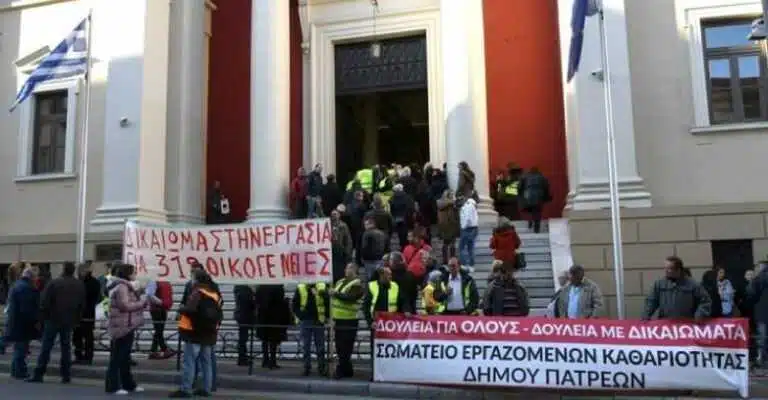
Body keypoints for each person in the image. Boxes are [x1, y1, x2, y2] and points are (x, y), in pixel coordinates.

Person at [27, 262, 85, 384]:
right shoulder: (79, 285)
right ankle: (66, 375)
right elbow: (81, 305)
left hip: (52, 319)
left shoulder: (54, 283)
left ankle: (39, 373)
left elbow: (44, 302)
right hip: (68, 320)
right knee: (66, 348)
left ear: (63, 269)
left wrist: (41, 319)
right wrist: (77, 320)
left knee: (46, 347)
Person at [170, 269, 222, 398]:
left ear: (197, 279)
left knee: (190, 361)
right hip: (209, 333)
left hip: (194, 332)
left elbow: (190, 310)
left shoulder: (197, 292)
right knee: (206, 362)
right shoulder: (214, 293)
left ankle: (186, 388)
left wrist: (181, 309)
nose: (191, 280)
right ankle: (206, 388)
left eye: (192, 277)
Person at [104, 263, 152, 395]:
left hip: (126, 324)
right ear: (128, 274)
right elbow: (124, 306)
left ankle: (128, 384)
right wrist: (141, 303)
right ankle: (113, 385)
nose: (135, 274)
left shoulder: (125, 286)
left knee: (124, 357)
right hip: (122, 326)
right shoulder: (122, 287)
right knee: (118, 357)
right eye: (134, 272)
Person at [643, 256, 711, 320]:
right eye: (665, 268)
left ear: (678, 270)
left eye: (669, 268)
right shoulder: (659, 284)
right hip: (666, 323)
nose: (666, 270)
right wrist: (645, 317)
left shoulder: (693, 284)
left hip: (686, 323)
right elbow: (651, 301)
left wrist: (699, 316)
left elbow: (705, 301)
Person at [329, 263, 364, 379]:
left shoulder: (357, 284)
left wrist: (336, 294)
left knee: (346, 346)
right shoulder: (340, 282)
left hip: (350, 319)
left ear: (354, 270)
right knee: (340, 346)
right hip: (338, 319)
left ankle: (341, 370)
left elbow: (351, 298)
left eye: (348, 268)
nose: (345, 270)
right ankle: (347, 369)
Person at [6, 266, 40, 379]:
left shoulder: (17, 285)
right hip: (22, 323)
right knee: (21, 348)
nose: (36, 279)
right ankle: (19, 371)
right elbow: (26, 309)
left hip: (15, 321)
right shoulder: (26, 288)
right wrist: (34, 320)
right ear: (31, 277)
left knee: (19, 348)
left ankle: (15, 370)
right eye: (35, 277)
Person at [292, 281, 330, 376]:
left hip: (319, 320)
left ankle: (321, 368)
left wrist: (327, 317)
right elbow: (294, 305)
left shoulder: (322, 286)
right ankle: (307, 367)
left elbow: (327, 301)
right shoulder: (300, 287)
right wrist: (301, 316)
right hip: (306, 320)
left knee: (320, 346)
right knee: (306, 346)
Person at [255, 285, 291, 369]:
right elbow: (279, 302)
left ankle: (265, 360)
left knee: (264, 340)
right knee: (273, 341)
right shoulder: (278, 287)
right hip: (274, 318)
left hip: (263, 318)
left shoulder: (261, 287)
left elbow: (257, 301)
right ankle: (272, 361)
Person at [73, 262, 102, 365]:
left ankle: (83, 356)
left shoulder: (83, 283)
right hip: (87, 313)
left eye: (79, 270)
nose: (78, 273)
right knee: (82, 336)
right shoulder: (94, 282)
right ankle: (85, 356)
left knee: (83, 336)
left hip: (83, 313)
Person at [518, 167, 551, 233]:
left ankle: (530, 221)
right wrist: (546, 196)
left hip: (528, 194)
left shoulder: (525, 176)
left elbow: (519, 187)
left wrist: (521, 194)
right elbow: (546, 187)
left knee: (529, 209)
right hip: (539, 195)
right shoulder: (542, 177)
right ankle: (537, 227)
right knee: (538, 211)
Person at [148, 279, 175, 360]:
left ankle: (153, 351)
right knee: (159, 330)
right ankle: (164, 349)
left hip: (163, 308)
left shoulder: (166, 280)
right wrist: (161, 303)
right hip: (156, 309)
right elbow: (150, 294)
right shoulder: (153, 281)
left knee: (159, 330)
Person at [233, 284, 256, 366]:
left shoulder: (239, 288)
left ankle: (243, 357)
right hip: (244, 316)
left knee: (243, 338)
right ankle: (242, 358)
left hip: (241, 315)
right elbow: (249, 303)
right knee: (243, 338)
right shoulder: (244, 290)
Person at [436, 189, 460, 265]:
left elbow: (456, 214)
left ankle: (452, 260)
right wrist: (452, 202)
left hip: (452, 226)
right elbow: (440, 205)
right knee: (446, 244)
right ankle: (445, 261)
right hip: (445, 226)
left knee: (452, 244)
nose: (453, 196)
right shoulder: (441, 202)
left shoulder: (453, 203)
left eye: (453, 194)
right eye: (451, 194)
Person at [458, 197, 479, 268]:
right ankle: (471, 265)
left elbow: (467, 218)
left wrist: (463, 226)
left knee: (461, 248)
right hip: (474, 228)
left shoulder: (467, 206)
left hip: (467, 229)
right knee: (470, 248)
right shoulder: (472, 206)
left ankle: (463, 265)